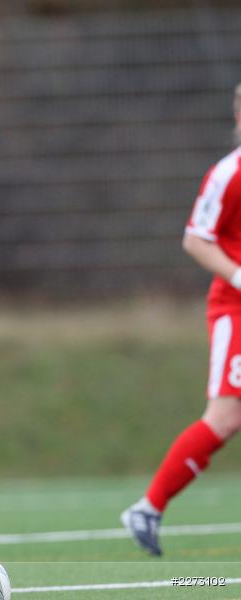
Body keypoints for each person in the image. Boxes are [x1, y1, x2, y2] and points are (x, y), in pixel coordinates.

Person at [122, 83, 241, 557]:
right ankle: (148, 508)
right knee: (226, 416)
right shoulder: (228, 174)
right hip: (235, 310)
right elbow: (196, 239)